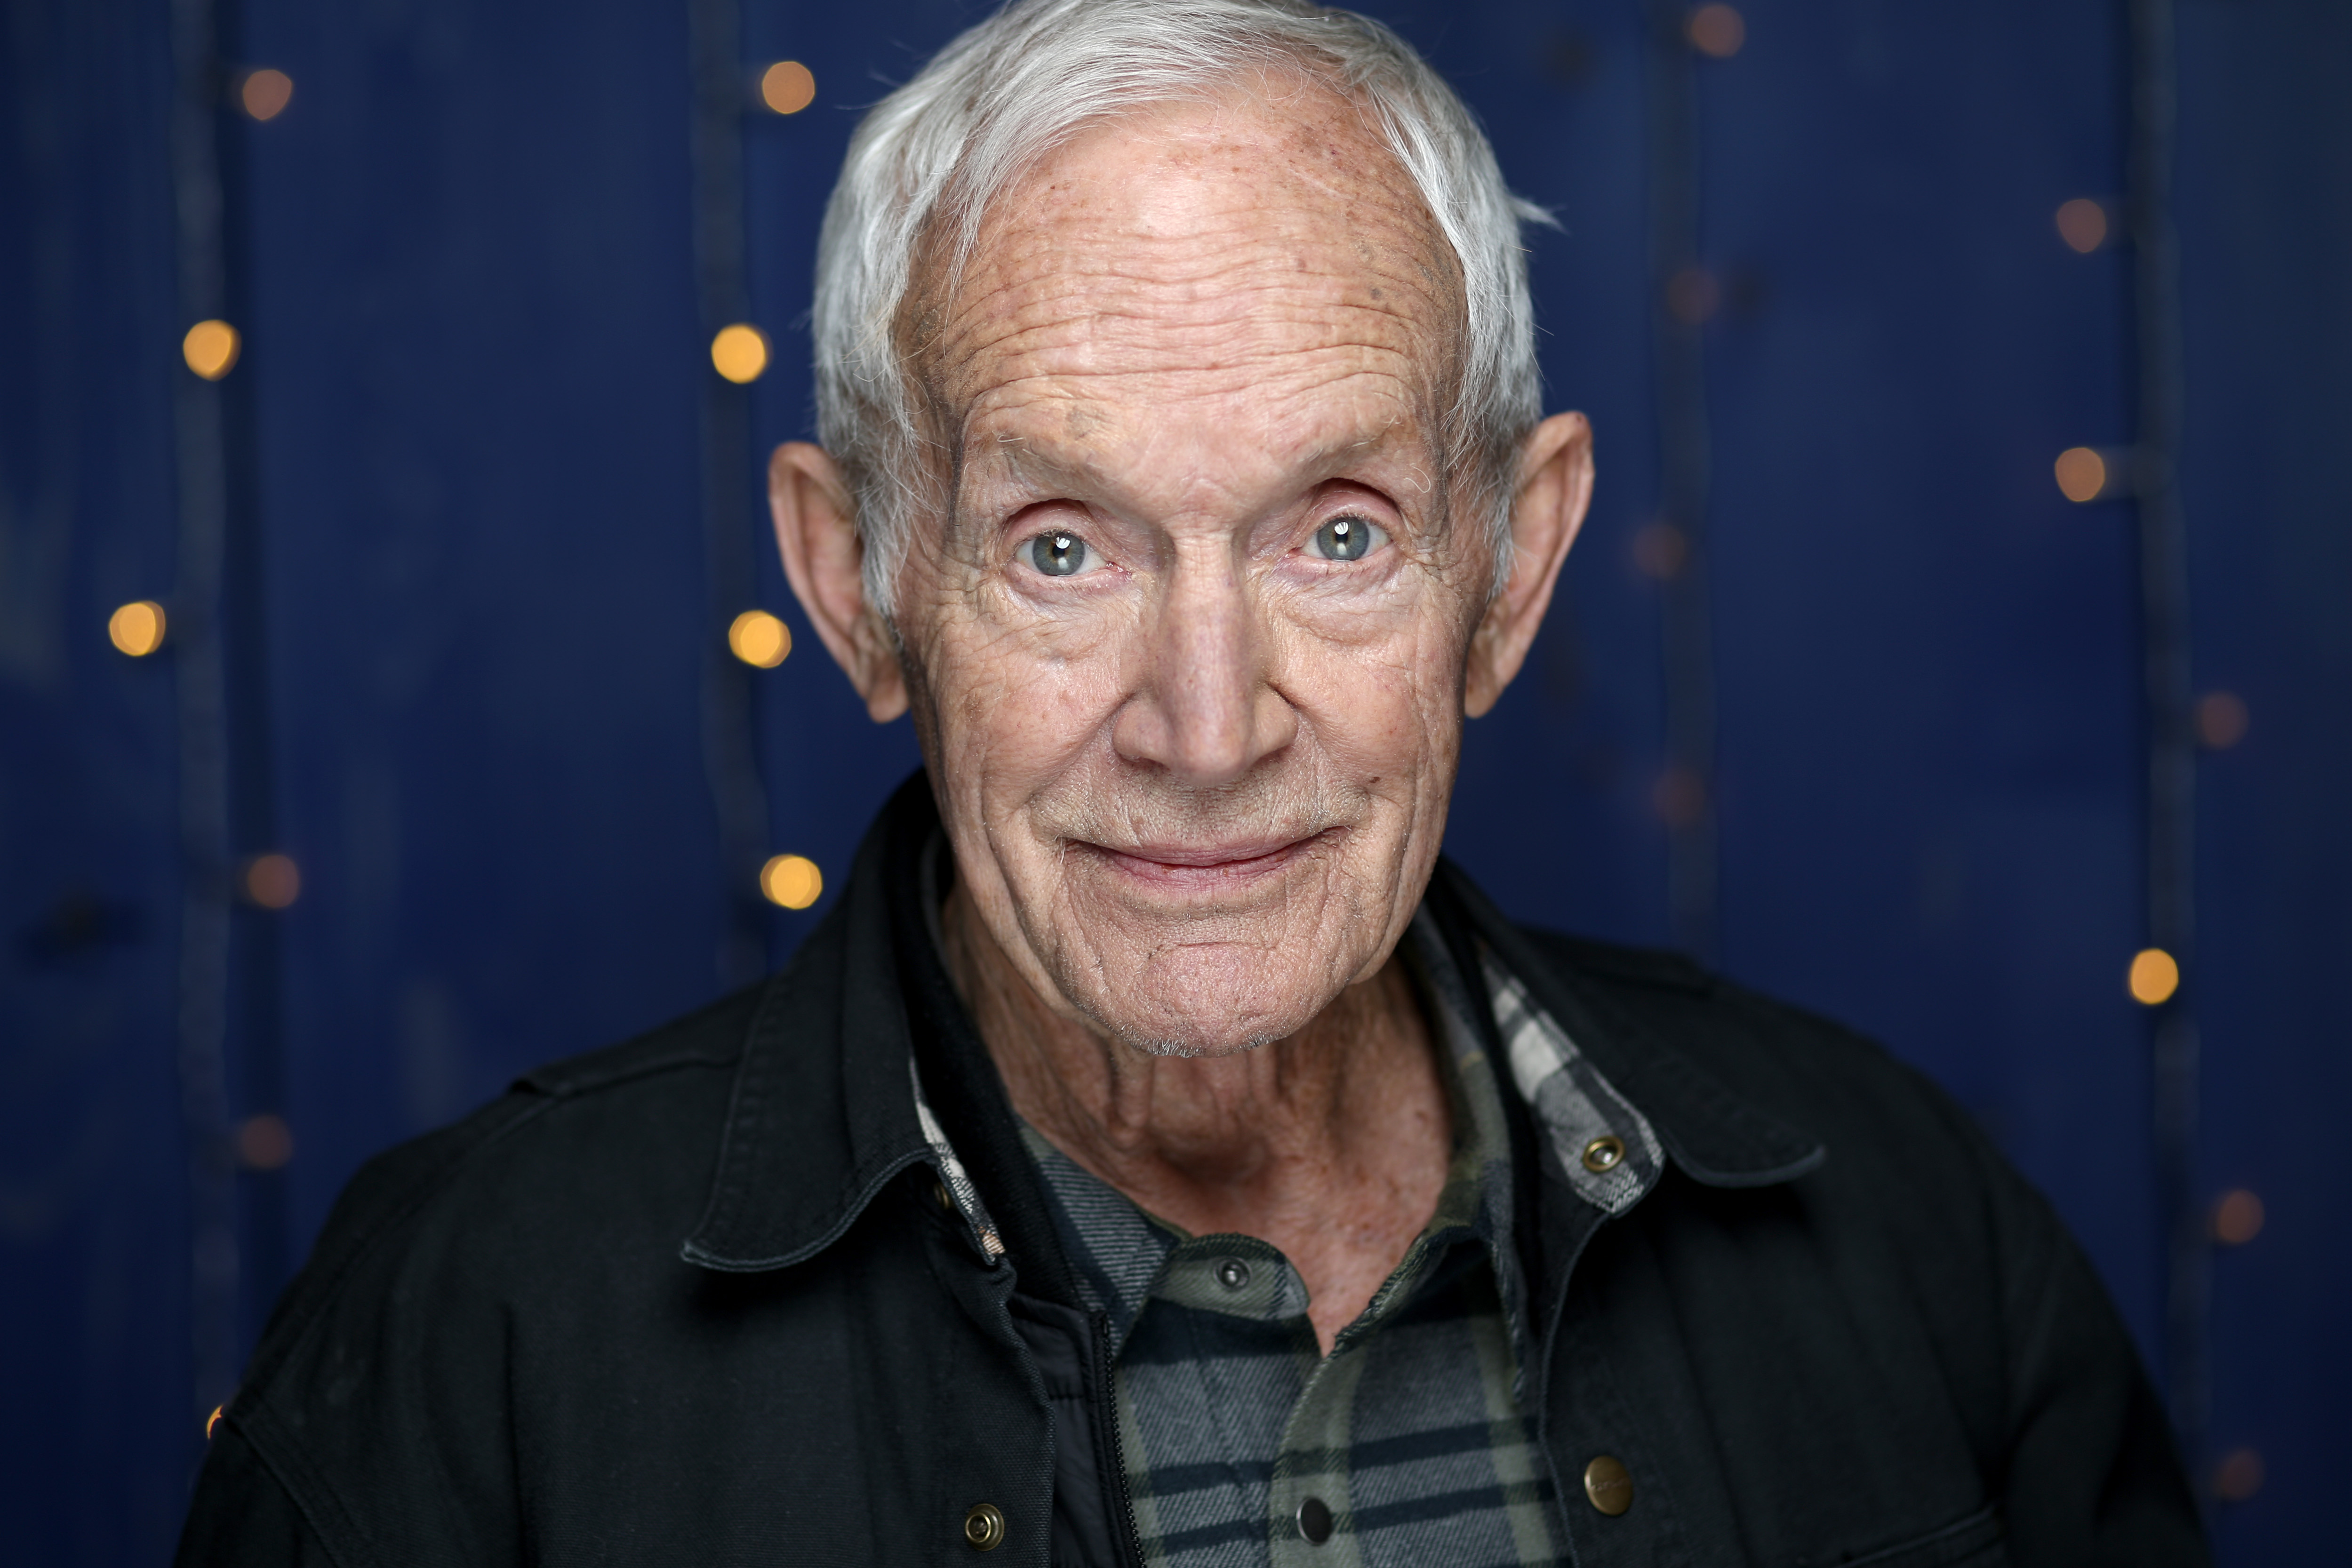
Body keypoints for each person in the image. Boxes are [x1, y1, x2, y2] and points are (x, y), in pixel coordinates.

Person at [176, 1, 2207, 1563]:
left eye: (1337, 531)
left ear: (1506, 571)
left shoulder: (1905, 1228)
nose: (1209, 722)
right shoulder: (476, 1326)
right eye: (1060, 543)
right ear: (857, 583)